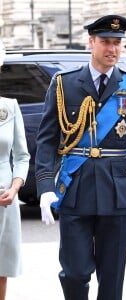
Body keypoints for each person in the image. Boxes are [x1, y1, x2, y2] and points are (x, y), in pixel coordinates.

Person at [35, 14, 126, 300]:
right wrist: (44, 187)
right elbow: (47, 139)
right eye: (105, 42)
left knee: (112, 277)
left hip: (117, 191)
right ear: (91, 42)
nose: (112, 49)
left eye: (117, 43)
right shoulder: (64, 84)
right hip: (75, 188)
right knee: (75, 272)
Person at [0, 97, 30, 300]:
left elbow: (21, 156)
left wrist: (15, 187)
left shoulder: (9, 107)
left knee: (1, 269)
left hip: (4, 199)